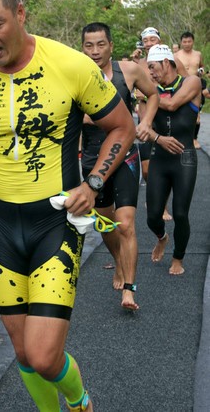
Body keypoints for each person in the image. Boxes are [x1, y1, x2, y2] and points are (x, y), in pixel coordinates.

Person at [0, 0, 135, 412]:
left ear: (20, 14)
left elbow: (122, 127)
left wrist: (94, 183)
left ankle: (81, 402)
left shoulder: (69, 64)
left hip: (55, 224)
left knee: (45, 355)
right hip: (2, 225)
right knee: (24, 352)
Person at [81, 22, 159, 310]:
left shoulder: (129, 70)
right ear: (82, 48)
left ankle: (129, 289)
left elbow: (152, 94)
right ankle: (118, 261)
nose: (95, 51)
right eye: (89, 45)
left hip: (125, 156)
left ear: (111, 45)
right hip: (92, 161)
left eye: (101, 44)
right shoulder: (75, 74)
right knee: (105, 224)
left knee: (125, 224)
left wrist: (147, 122)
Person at [145, 44, 201, 276]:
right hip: (160, 157)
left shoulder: (191, 83)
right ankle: (162, 238)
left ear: (166, 63)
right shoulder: (149, 89)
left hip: (184, 157)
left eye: (152, 67)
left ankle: (178, 258)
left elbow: (171, 104)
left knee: (179, 213)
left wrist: (146, 92)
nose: (150, 73)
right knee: (152, 216)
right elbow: (143, 127)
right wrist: (159, 139)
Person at [132, 26, 188, 221]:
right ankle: (156, 195)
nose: (148, 43)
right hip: (147, 120)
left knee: (168, 166)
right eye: (145, 40)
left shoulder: (173, 61)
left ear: (159, 40)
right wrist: (144, 120)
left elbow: (186, 87)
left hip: (168, 120)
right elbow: (138, 94)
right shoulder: (139, 63)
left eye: (152, 40)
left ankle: (162, 205)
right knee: (147, 169)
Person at [176, 32, 205, 148]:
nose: (187, 44)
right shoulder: (176, 55)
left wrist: (201, 70)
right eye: (184, 42)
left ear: (193, 42)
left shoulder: (198, 54)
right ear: (181, 42)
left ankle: (194, 138)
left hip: (195, 86)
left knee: (196, 114)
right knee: (180, 112)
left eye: (189, 41)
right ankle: (180, 137)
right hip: (181, 85)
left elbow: (202, 66)